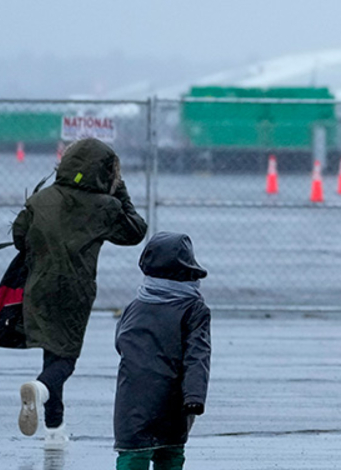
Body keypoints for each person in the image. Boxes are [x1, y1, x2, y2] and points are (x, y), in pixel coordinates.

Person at [12, 137, 149, 448]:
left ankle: (54, 428)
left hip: (39, 285)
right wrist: (120, 191)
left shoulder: (42, 199)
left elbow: (20, 236)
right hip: (75, 289)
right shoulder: (103, 207)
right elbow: (136, 232)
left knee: (52, 350)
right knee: (65, 359)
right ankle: (41, 388)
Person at [114, 232, 212, 470]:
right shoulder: (193, 308)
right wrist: (195, 397)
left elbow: (120, 341)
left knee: (132, 455)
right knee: (170, 454)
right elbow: (197, 355)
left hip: (132, 398)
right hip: (173, 398)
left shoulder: (136, 305)